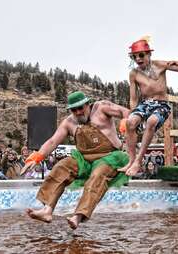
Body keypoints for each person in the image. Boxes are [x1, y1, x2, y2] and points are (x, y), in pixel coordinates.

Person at [24, 91, 130, 230]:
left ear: (88, 104)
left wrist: (125, 122)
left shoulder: (101, 107)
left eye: (81, 107)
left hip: (109, 157)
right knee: (61, 167)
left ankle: (78, 216)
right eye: (74, 110)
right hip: (84, 160)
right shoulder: (69, 122)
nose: (78, 112)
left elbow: (126, 112)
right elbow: (52, 141)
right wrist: (37, 157)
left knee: (97, 177)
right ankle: (47, 211)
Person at [119, 39, 178, 176]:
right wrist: (133, 115)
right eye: (134, 56)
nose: (138, 59)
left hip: (161, 104)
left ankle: (138, 161)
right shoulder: (134, 74)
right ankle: (131, 161)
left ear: (149, 54)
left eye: (141, 55)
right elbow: (133, 98)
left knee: (151, 121)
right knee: (130, 122)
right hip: (145, 104)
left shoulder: (160, 65)